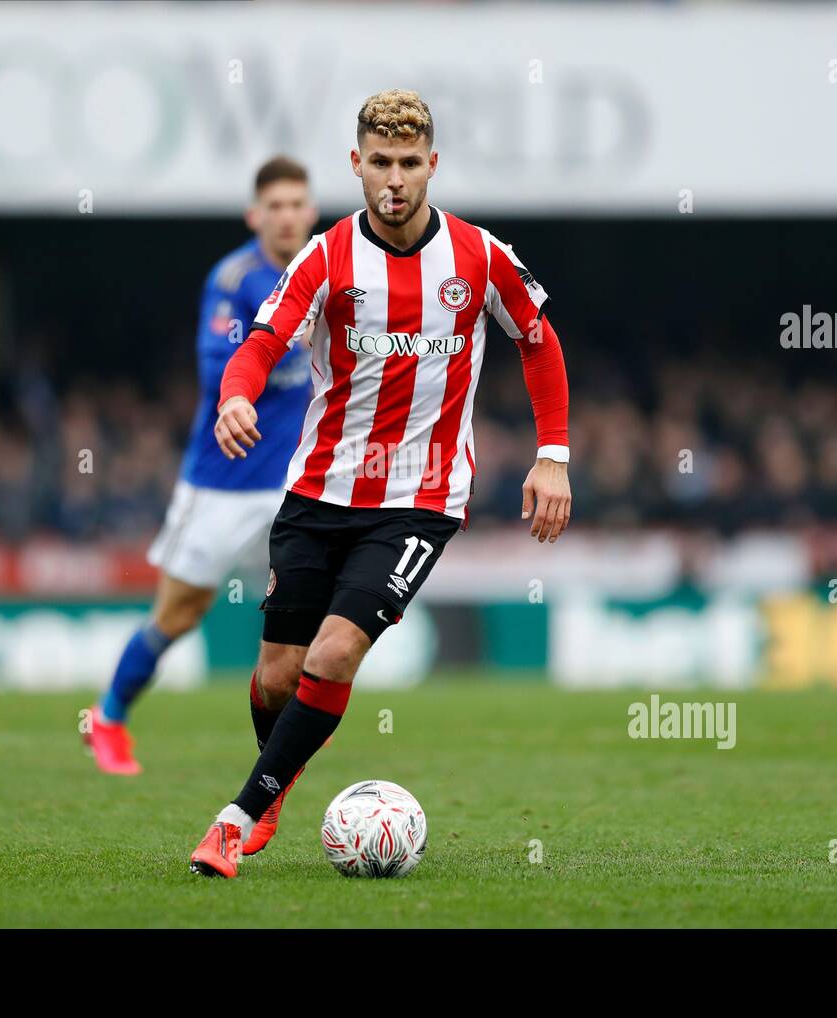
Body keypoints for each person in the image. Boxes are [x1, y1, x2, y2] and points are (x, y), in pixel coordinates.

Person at [188, 90, 572, 877]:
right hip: (319, 491)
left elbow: (538, 339)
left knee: (332, 657)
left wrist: (554, 455)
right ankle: (280, 779)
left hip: (419, 501)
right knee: (276, 676)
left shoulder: (478, 257)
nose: (394, 180)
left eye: (409, 164)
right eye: (380, 164)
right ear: (356, 166)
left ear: (432, 166)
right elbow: (262, 341)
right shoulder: (326, 257)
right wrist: (235, 393)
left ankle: (238, 817)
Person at [85, 157, 317, 779]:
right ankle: (107, 718)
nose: (289, 216)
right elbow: (220, 372)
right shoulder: (235, 279)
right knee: (179, 614)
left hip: (299, 480)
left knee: (323, 615)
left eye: (298, 203)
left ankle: (283, 756)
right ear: (255, 215)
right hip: (225, 480)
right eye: (277, 206)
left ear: (312, 210)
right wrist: (288, 340)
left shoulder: (328, 269)